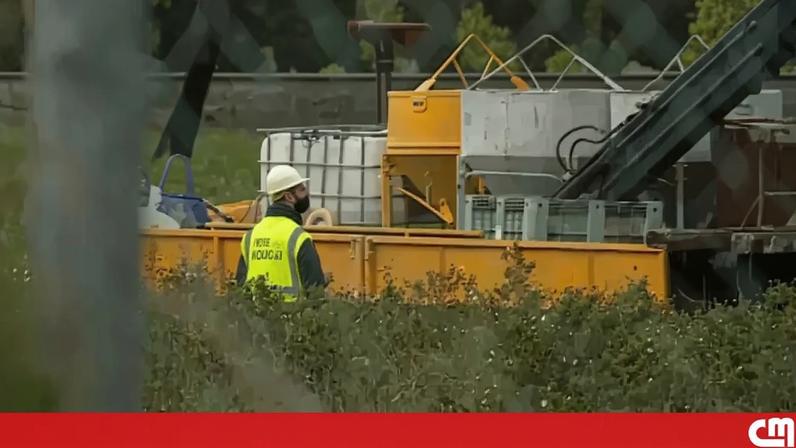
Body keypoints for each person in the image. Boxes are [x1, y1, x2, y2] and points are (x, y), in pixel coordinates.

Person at [235, 165, 326, 300]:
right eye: (301, 190)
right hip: (291, 317)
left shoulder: (250, 237)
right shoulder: (299, 238)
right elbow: (315, 292)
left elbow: (240, 286)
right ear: (289, 196)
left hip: (255, 318)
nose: (306, 193)